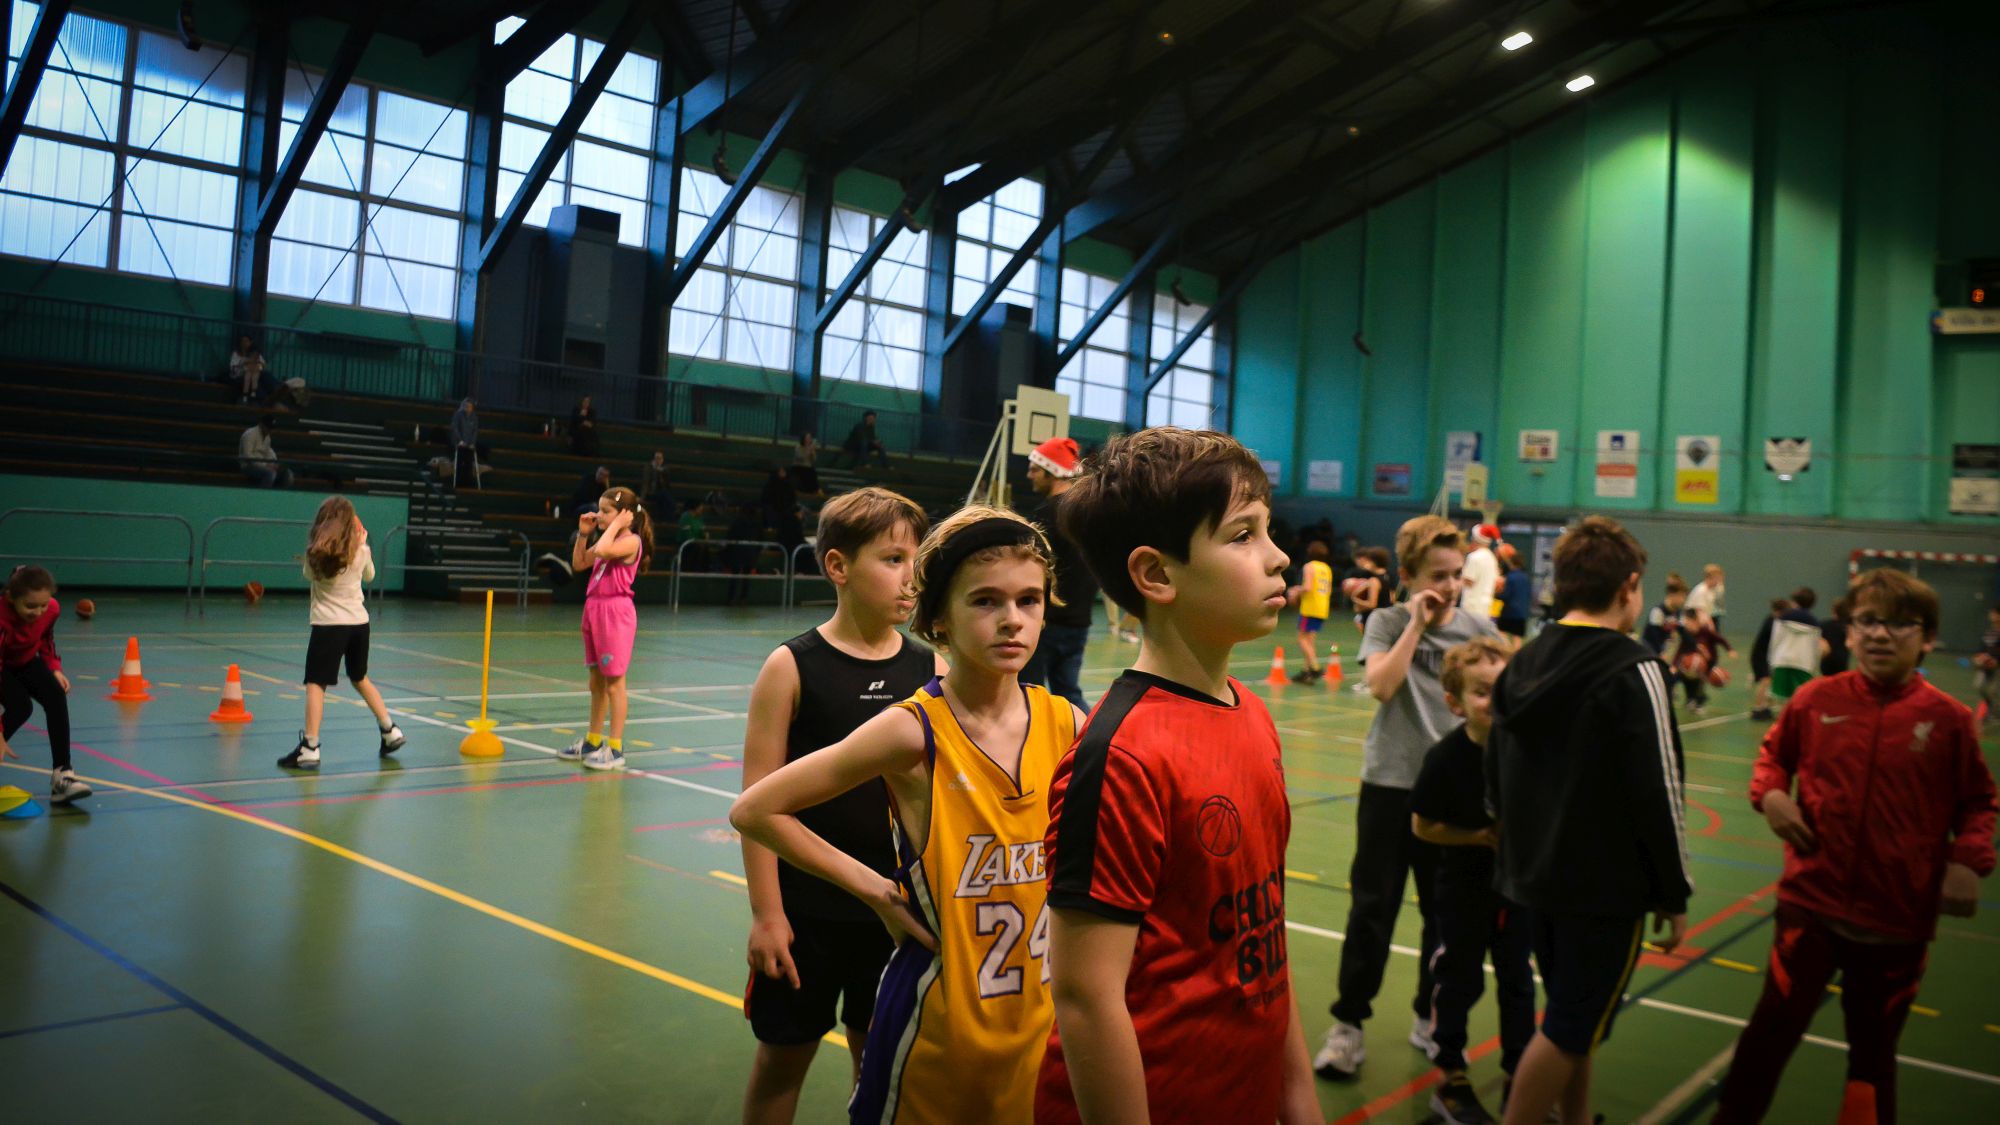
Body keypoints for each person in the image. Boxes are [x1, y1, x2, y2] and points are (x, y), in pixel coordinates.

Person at [731, 506, 1082, 1124]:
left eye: (1029, 600)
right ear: (939, 616)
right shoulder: (910, 727)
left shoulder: (1067, 722)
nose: (1013, 619)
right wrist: (871, 891)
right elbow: (755, 807)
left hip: (1029, 1012)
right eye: (986, 601)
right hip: (923, 998)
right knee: (793, 1056)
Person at [1036, 427, 1317, 1124]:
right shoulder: (1120, 756)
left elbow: (1263, 939)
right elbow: (1086, 998)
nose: (1279, 555)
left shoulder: (1253, 713)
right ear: (1156, 575)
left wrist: (1298, 1095)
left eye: (1268, 529)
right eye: (1243, 535)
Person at [1713, 568, 1995, 1124]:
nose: (1880, 634)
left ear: (1928, 638)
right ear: (1848, 631)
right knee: (1766, 1039)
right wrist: (1772, 795)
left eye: (1899, 623)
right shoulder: (1814, 700)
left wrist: (1967, 860)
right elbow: (1773, 760)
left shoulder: (1949, 721)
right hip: (1809, 909)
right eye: (1867, 621)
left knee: (1872, 1059)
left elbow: (1979, 802)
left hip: (1896, 924)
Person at [735, 488, 939, 1125]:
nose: (911, 577)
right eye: (894, 559)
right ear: (838, 566)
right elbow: (755, 803)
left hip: (897, 914)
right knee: (781, 1061)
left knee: (876, 1064)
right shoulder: (791, 667)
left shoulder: (931, 666)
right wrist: (768, 915)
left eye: (917, 560)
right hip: (807, 914)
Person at [1488, 516, 1691, 1125]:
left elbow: (1494, 773)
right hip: (1604, 890)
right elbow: (1660, 788)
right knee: (1572, 1026)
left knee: (1571, 1012)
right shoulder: (1636, 668)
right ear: (1628, 587)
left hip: (1530, 879)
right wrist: (1673, 890)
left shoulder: (1522, 661)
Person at [1316, 515, 1499, 1078]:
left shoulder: (1477, 629)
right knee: (1373, 909)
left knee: (1445, 918)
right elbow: (1381, 686)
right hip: (1390, 787)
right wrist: (1416, 625)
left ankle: (1430, 1018)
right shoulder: (1387, 622)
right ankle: (1348, 1026)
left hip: (1453, 796)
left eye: (1456, 575)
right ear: (1408, 576)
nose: (1449, 587)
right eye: (1437, 576)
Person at [1411, 637, 1534, 1125]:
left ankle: (1521, 1076)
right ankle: (1450, 1077)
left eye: (1503, 690)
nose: (1495, 701)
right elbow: (1423, 826)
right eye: (1482, 692)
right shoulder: (1445, 758)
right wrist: (1478, 837)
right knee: (1458, 981)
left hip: (1516, 892)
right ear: (1455, 702)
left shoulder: (1525, 751)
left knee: (1518, 982)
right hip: (1463, 892)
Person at [280, 498, 406, 769]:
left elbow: (309, 576)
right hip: (359, 625)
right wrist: (362, 544)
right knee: (360, 678)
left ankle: (310, 747)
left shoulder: (317, 555)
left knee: (316, 683)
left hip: (329, 626)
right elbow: (369, 576)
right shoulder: (362, 551)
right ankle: (390, 729)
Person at [558, 486, 653, 771]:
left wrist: (617, 526)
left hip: (615, 612)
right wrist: (583, 534)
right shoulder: (606, 539)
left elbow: (602, 550)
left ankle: (615, 748)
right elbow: (580, 563)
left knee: (614, 684)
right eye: (598, 509)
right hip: (594, 609)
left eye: (605, 511)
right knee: (596, 682)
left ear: (624, 515)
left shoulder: (631, 541)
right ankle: (592, 741)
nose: (598, 515)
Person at [0, 566, 91, 804]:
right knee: (20, 706)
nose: (38, 612)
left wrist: (54, 667)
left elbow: (45, 638)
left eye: (43, 605)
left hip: (25, 660)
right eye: (30, 606)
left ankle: (63, 775)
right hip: (2, 665)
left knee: (55, 694)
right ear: (10, 597)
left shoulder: (51, 610)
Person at [1021, 436, 1096, 712]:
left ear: (1051, 471)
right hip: (1079, 622)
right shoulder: (1088, 514)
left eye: (1034, 469)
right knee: (1069, 694)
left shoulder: (1046, 516)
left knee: (1029, 695)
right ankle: (1092, 737)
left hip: (1048, 623)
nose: (1029, 475)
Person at [1767, 587, 1821, 713]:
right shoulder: (1815, 623)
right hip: (1803, 664)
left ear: (1794, 602)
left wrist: (1771, 661)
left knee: (1783, 701)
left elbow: (1775, 641)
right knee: (1802, 698)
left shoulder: (1782, 618)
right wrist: (1815, 667)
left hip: (1782, 661)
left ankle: (1786, 722)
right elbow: (1815, 648)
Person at [1672, 607, 1733, 717]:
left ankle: (1699, 702)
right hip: (1690, 665)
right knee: (1684, 680)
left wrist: (1729, 650)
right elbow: (1680, 651)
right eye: (1685, 622)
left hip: (1707, 664)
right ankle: (1688, 699)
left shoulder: (1705, 632)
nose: (1686, 625)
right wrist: (1674, 665)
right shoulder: (1687, 635)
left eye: (1688, 622)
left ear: (1695, 621)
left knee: (1699, 684)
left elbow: (1720, 639)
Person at [1289, 539, 1334, 683]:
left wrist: (1296, 590)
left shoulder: (1309, 566)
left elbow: (1307, 587)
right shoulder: (1326, 568)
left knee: (1302, 639)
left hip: (1310, 607)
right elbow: (1329, 590)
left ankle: (1315, 667)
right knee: (1310, 641)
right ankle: (1306, 672)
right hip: (1323, 606)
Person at [1747, 598, 1791, 722]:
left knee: (1769, 681)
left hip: (1766, 656)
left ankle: (1765, 706)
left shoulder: (1773, 620)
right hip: (1760, 656)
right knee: (1765, 680)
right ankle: (1757, 708)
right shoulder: (1773, 622)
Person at [1459, 523, 1501, 620]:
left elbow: (1468, 580)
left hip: (1472, 606)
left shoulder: (1474, 557)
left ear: (1475, 540)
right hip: (1486, 606)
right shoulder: (1492, 558)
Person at [238, 414, 292, 488]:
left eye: (271, 428)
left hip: (263, 465)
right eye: (268, 427)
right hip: (248, 466)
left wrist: (274, 463)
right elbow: (248, 457)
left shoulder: (267, 437)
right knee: (270, 473)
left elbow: (268, 452)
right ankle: (262, 494)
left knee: (287, 474)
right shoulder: (249, 435)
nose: (270, 430)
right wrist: (266, 465)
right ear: (261, 425)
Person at [1643, 573, 1689, 656]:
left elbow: (1683, 633)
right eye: (1681, 596)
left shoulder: (1678, 613)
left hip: (1663, 649)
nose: (1683, 600)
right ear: (1671, 595)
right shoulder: (1658, 611)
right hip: (1649, 650)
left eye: (1684, 597)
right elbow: (1654, 636)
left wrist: (1696, 647)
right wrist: (1660, 653)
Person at [1494, 545, 1532, 639]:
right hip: (1522, 613)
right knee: (1517, 637)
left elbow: (1506, 595)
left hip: (1509, 612)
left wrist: (1496, 595)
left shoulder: (1510, 577)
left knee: (1501, 633)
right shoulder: (1525, 577)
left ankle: (1506, 648)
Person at [449, 398, 490, 484]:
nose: (468, 408)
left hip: (469, 444)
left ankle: (468, 481)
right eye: (466, 406)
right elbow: (455, 429)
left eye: (470, 406)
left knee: (469, 460)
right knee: (461, 458)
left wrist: (472, 443)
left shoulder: (474, 417)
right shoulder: (458, 415)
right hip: (459, 443)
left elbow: (475, 432)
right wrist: (460, 441)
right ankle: (459, 481)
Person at [1975, 605, 2000, 731]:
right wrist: (1979, 658)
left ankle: (1993, 714)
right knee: (1979, 686)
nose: (1991, 615)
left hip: (1997, 667)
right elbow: (1982, 648)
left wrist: (1996, 661)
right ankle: (1991, 709)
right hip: (1986, 666)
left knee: (1992, 691)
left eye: (1994, 613)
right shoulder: (1990, 632)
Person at [230, 335, 274, 404]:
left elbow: (263, 364)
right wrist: (244, 364)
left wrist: (259, 365)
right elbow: (233, 368)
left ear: (250, 342)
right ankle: (265, 401)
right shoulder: (236, 354)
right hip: (240, 376)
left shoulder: (255, 353)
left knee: (265, 375)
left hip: (255, 372)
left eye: (246, 341)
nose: (244, 343)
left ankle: (277, 390)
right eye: (242, 341)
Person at [1686, 563, 1727, 634]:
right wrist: (1711, 627)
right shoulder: (1701, 590)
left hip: (1704, 617)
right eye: (1718, 578)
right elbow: (1700, 612)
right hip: (1692, 620)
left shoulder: (1714, 589)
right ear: (1710, 578)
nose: (1720, 580)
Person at [1819, 594, 1851, 676]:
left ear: (1834, 610)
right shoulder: (1848, 627)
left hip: (1827, 662)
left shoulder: (1824, 625)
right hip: (1842, 661)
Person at [641, 451, 673, 515]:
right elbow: (646, 482)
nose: (658, 460)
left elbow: (666, 483)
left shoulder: (664, 469)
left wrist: (660, 471)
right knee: (665, 498)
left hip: (661, 493)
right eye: (657, 458)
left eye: (660, 458)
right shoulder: (649, 468)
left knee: (666, 500)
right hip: (650, 493)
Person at [791, 432, 821, 497]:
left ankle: (814, 490)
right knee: (807, 472)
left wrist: (812, 451)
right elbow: (801, 457)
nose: (809, 439)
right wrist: (808, 449)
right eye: (807, 438)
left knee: (812, 473)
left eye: (810, 438)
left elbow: (814, 459)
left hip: (807, 466)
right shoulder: (799, 447)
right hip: (798, 466)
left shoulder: (811, 448)